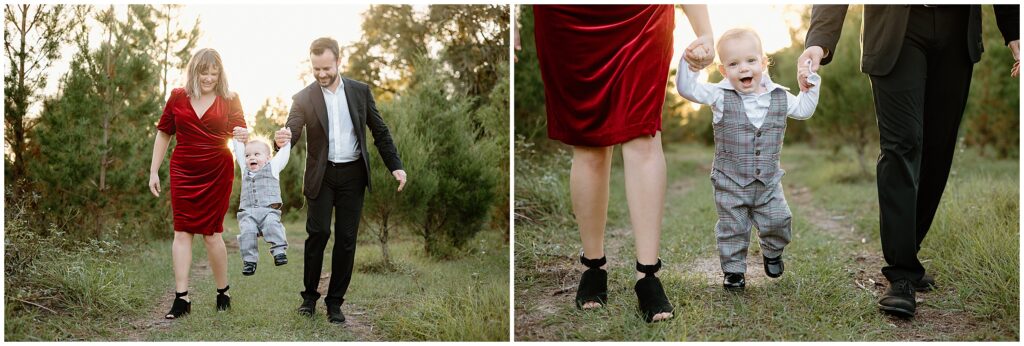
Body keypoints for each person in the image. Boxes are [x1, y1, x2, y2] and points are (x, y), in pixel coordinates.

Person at [799, 5, 1019, 318]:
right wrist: (818, 41)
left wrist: (1016, 31)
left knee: (938, 148)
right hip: (894, 27)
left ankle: (908, 250)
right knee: (902, 145)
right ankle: (901, 274)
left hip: (958, 27)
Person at [526, 5, 713, 323]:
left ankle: (648, 274)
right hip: (568, 16)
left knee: (643, 136)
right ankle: (593, 266)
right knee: (588, 144)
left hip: (641, 14)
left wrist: (705, 30)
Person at [676, 28, 820, 291]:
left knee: (779, 220)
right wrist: (690, 63)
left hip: (767, 182)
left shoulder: (779, 96)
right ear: (723, 70)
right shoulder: (720, 96)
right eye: (733, 63)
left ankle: (773, 250)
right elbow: (687, 89)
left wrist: (809, 87)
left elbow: (804, 109)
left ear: (763, 64)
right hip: (729, 181)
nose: (743, 68)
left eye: (751, 61)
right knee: (733, 228)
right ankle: (733, 271)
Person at [278, 37, 407, 324]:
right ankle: (310, 298)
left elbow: (380, 131)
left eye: (326, 68)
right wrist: (283, 137)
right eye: (316, 69)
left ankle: (335, 303)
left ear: (338, 60)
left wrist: (395, 166)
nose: (321, 74)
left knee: (347, 240)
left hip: (352, 174)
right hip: (321, 176)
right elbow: (293, 128)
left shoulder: (360, 92)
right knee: (319, 233)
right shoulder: (304, 98)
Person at [149, 48, 245, 319]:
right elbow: (164, 133)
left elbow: (240, 136)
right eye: (205, 72)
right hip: (183, 169)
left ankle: (222, 292)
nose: (209, 78)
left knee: (212, 234)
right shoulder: (178, 96)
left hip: (217, 170)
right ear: (194, 70)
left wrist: (245, 136)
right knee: (182, 232)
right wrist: (153, 171)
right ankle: (182, 299)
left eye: (214, 73)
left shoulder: (230, 99)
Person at [230, 134, 291, 276]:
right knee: (247, 231)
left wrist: (286, 142)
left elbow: (283, 155)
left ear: (268, 157)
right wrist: (237, 135)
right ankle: (249, 261)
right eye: (248, 155)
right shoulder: (245, 169)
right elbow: (238, 150)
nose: (251, 157)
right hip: (248, 213)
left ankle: (279, 252)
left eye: (257, 154)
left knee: (271, 225)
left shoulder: (273, 167)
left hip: (268, 211)